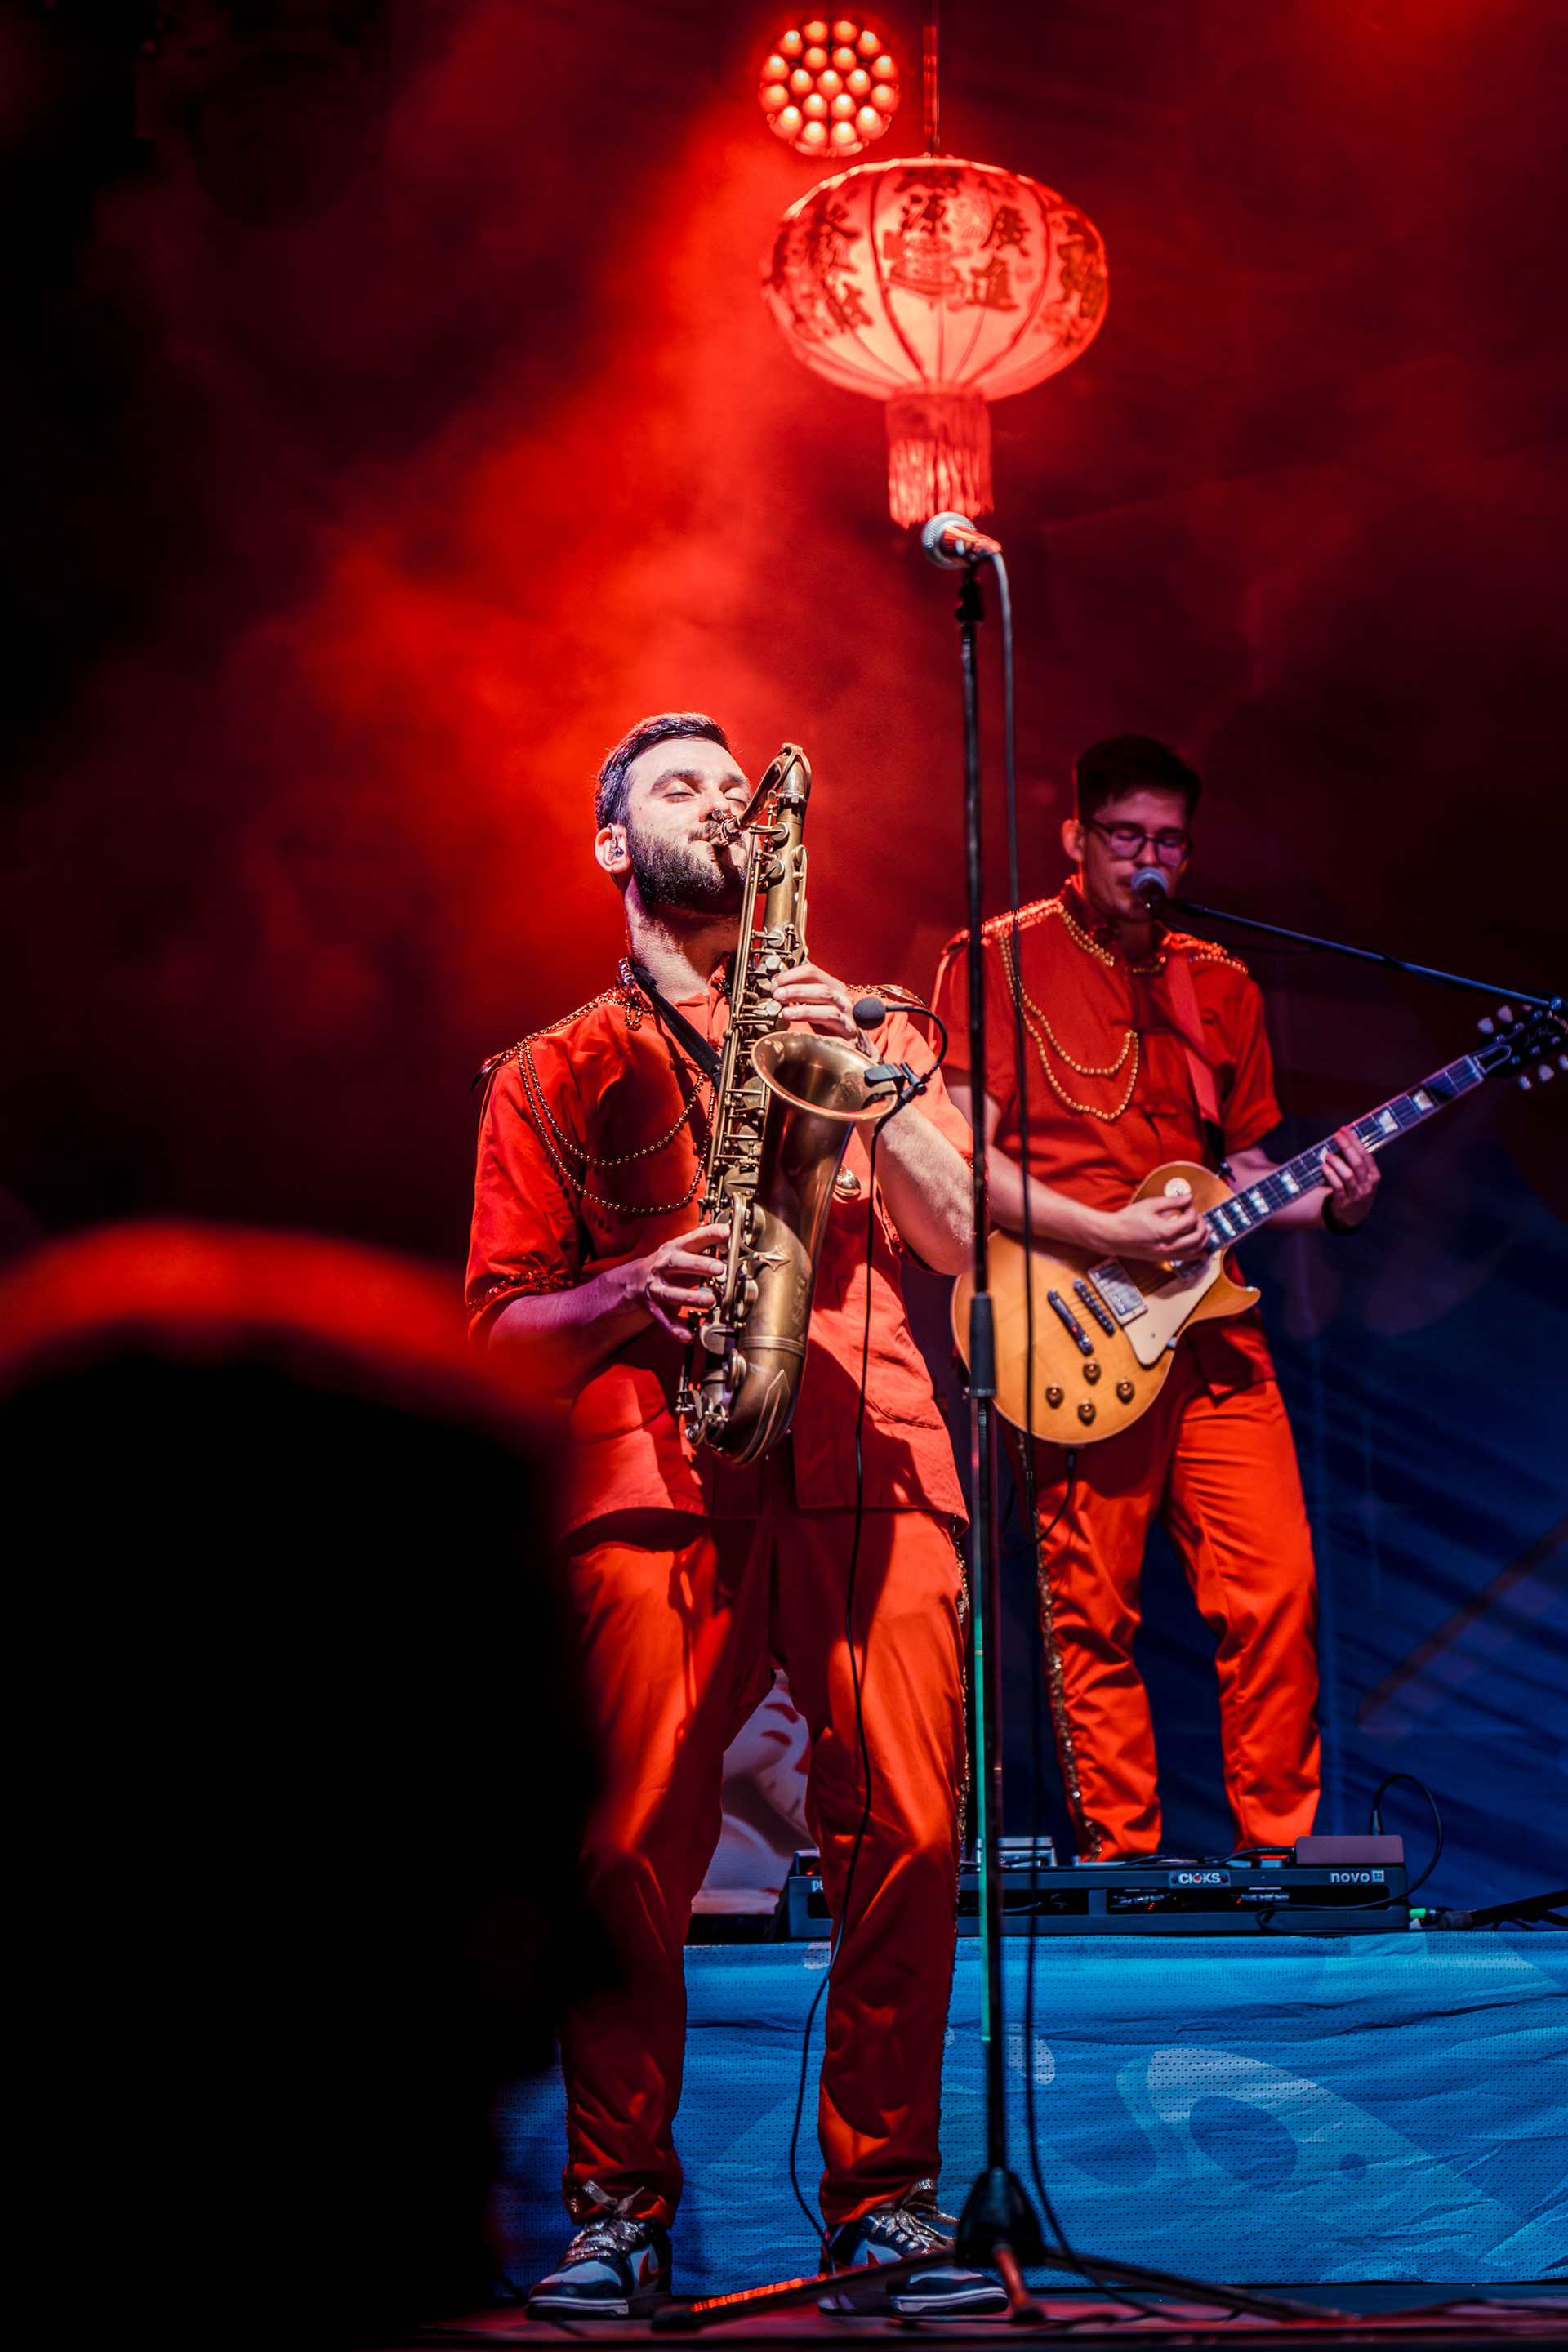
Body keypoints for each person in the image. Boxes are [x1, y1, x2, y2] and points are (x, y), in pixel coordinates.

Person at [467, 712, 1005, 2319]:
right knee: (626, 1847)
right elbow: (494, 1333)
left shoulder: (873, 1021)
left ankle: (886, 2206)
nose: (718, 802)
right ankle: (615, 2210)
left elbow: (959, 1237)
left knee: (913, 1831)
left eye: (731, 785)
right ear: (612, 846)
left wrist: (864, 1074)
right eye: (678, 787)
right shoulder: (551, 1069)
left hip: (872, 1458)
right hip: (656, 1476)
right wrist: (631, 1286)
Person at [932, 734, 1379, 1863]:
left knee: (1276, 1593)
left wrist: (1332, 1203)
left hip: (1213, 1325)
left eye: (1169, 841)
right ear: (1076, 838)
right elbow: (958, 1165)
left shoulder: (1219, 981)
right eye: (1125, 835)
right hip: (1068, 1320)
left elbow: (1246, 1170)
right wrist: (1107, 1231)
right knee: (1091, 1610)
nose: (1148, 858)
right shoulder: (993, 962)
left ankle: (1281, 1861)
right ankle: (1123, 1870)